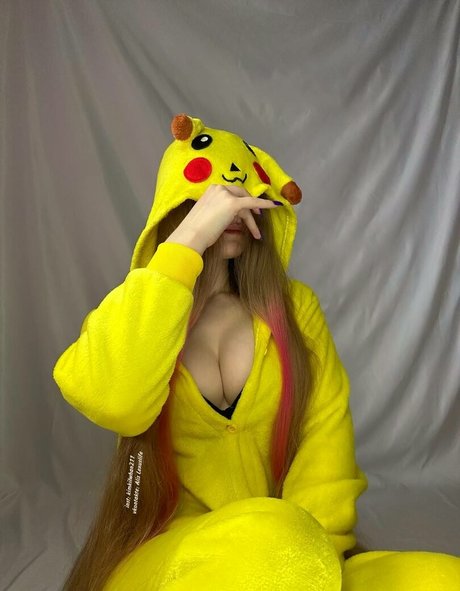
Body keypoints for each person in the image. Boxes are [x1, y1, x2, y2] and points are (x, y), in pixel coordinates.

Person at [53, 114, 460, 590]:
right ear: (177, 208)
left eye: (243, 199)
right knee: (271, 541)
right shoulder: (140, 308)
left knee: (441, 578)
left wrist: (314, 563)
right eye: (212, 201)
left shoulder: (296, 311)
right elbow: (115, 401)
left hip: (291, 552)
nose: (231, 212)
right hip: (175, 558)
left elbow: (325, 449)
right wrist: (186, 244)